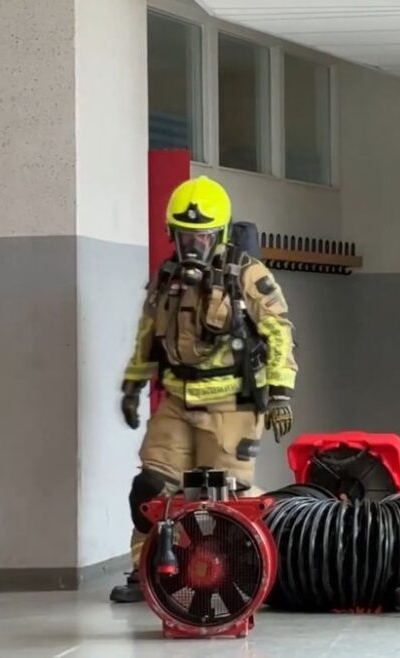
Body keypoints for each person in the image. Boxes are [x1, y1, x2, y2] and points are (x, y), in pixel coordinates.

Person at [110, 176, 297, 603]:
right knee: (151, 489)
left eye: (203, 236)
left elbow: (278, 332)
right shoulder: (167, 278)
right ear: (171, 234)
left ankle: (264, 567)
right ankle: (147, 572)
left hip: (231, 403)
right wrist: (133, 383)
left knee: (230, 498)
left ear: (221, 234)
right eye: (185, 236)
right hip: (178, 399)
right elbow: (149, 333)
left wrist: (282, 392)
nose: (193, 245)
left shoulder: (247, 275)